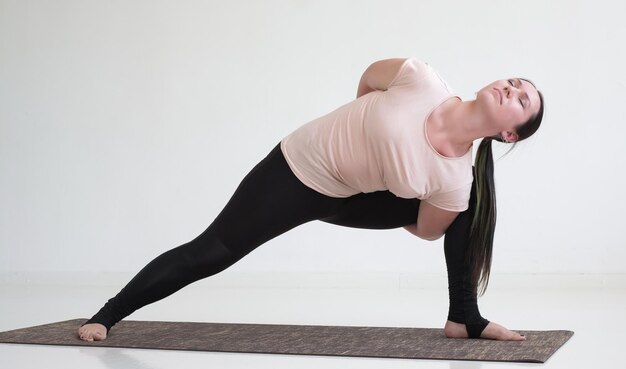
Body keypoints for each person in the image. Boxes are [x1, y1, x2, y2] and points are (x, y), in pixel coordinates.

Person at [78, 57, 544, 342]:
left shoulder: (454, 179)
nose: (511, 88)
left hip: (348, 198)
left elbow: (426, 230)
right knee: (214, 252)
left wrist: (386, 187)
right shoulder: (420, 78)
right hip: (296, 168)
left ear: (508, 134)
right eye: (515, 82)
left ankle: (463, 317)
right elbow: (368, 79)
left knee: (471, 203)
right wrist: (359, 127)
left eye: (521, 100)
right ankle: (108, 314)